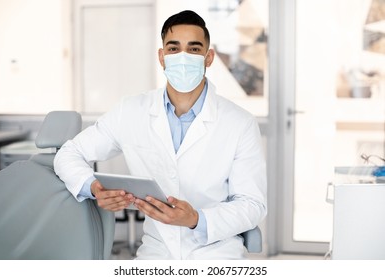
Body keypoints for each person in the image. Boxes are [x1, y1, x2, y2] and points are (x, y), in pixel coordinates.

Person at [54, 10, 267, 260]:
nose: (183, 57)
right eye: (174, 49)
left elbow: (252, 205)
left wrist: (196, 219)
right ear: (162, 56)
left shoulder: (239, 123)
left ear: (209, 58)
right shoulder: (131, 111)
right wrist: (94, 188)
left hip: (216, 252)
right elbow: (69, 154)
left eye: (194, 49)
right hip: (156, 251)